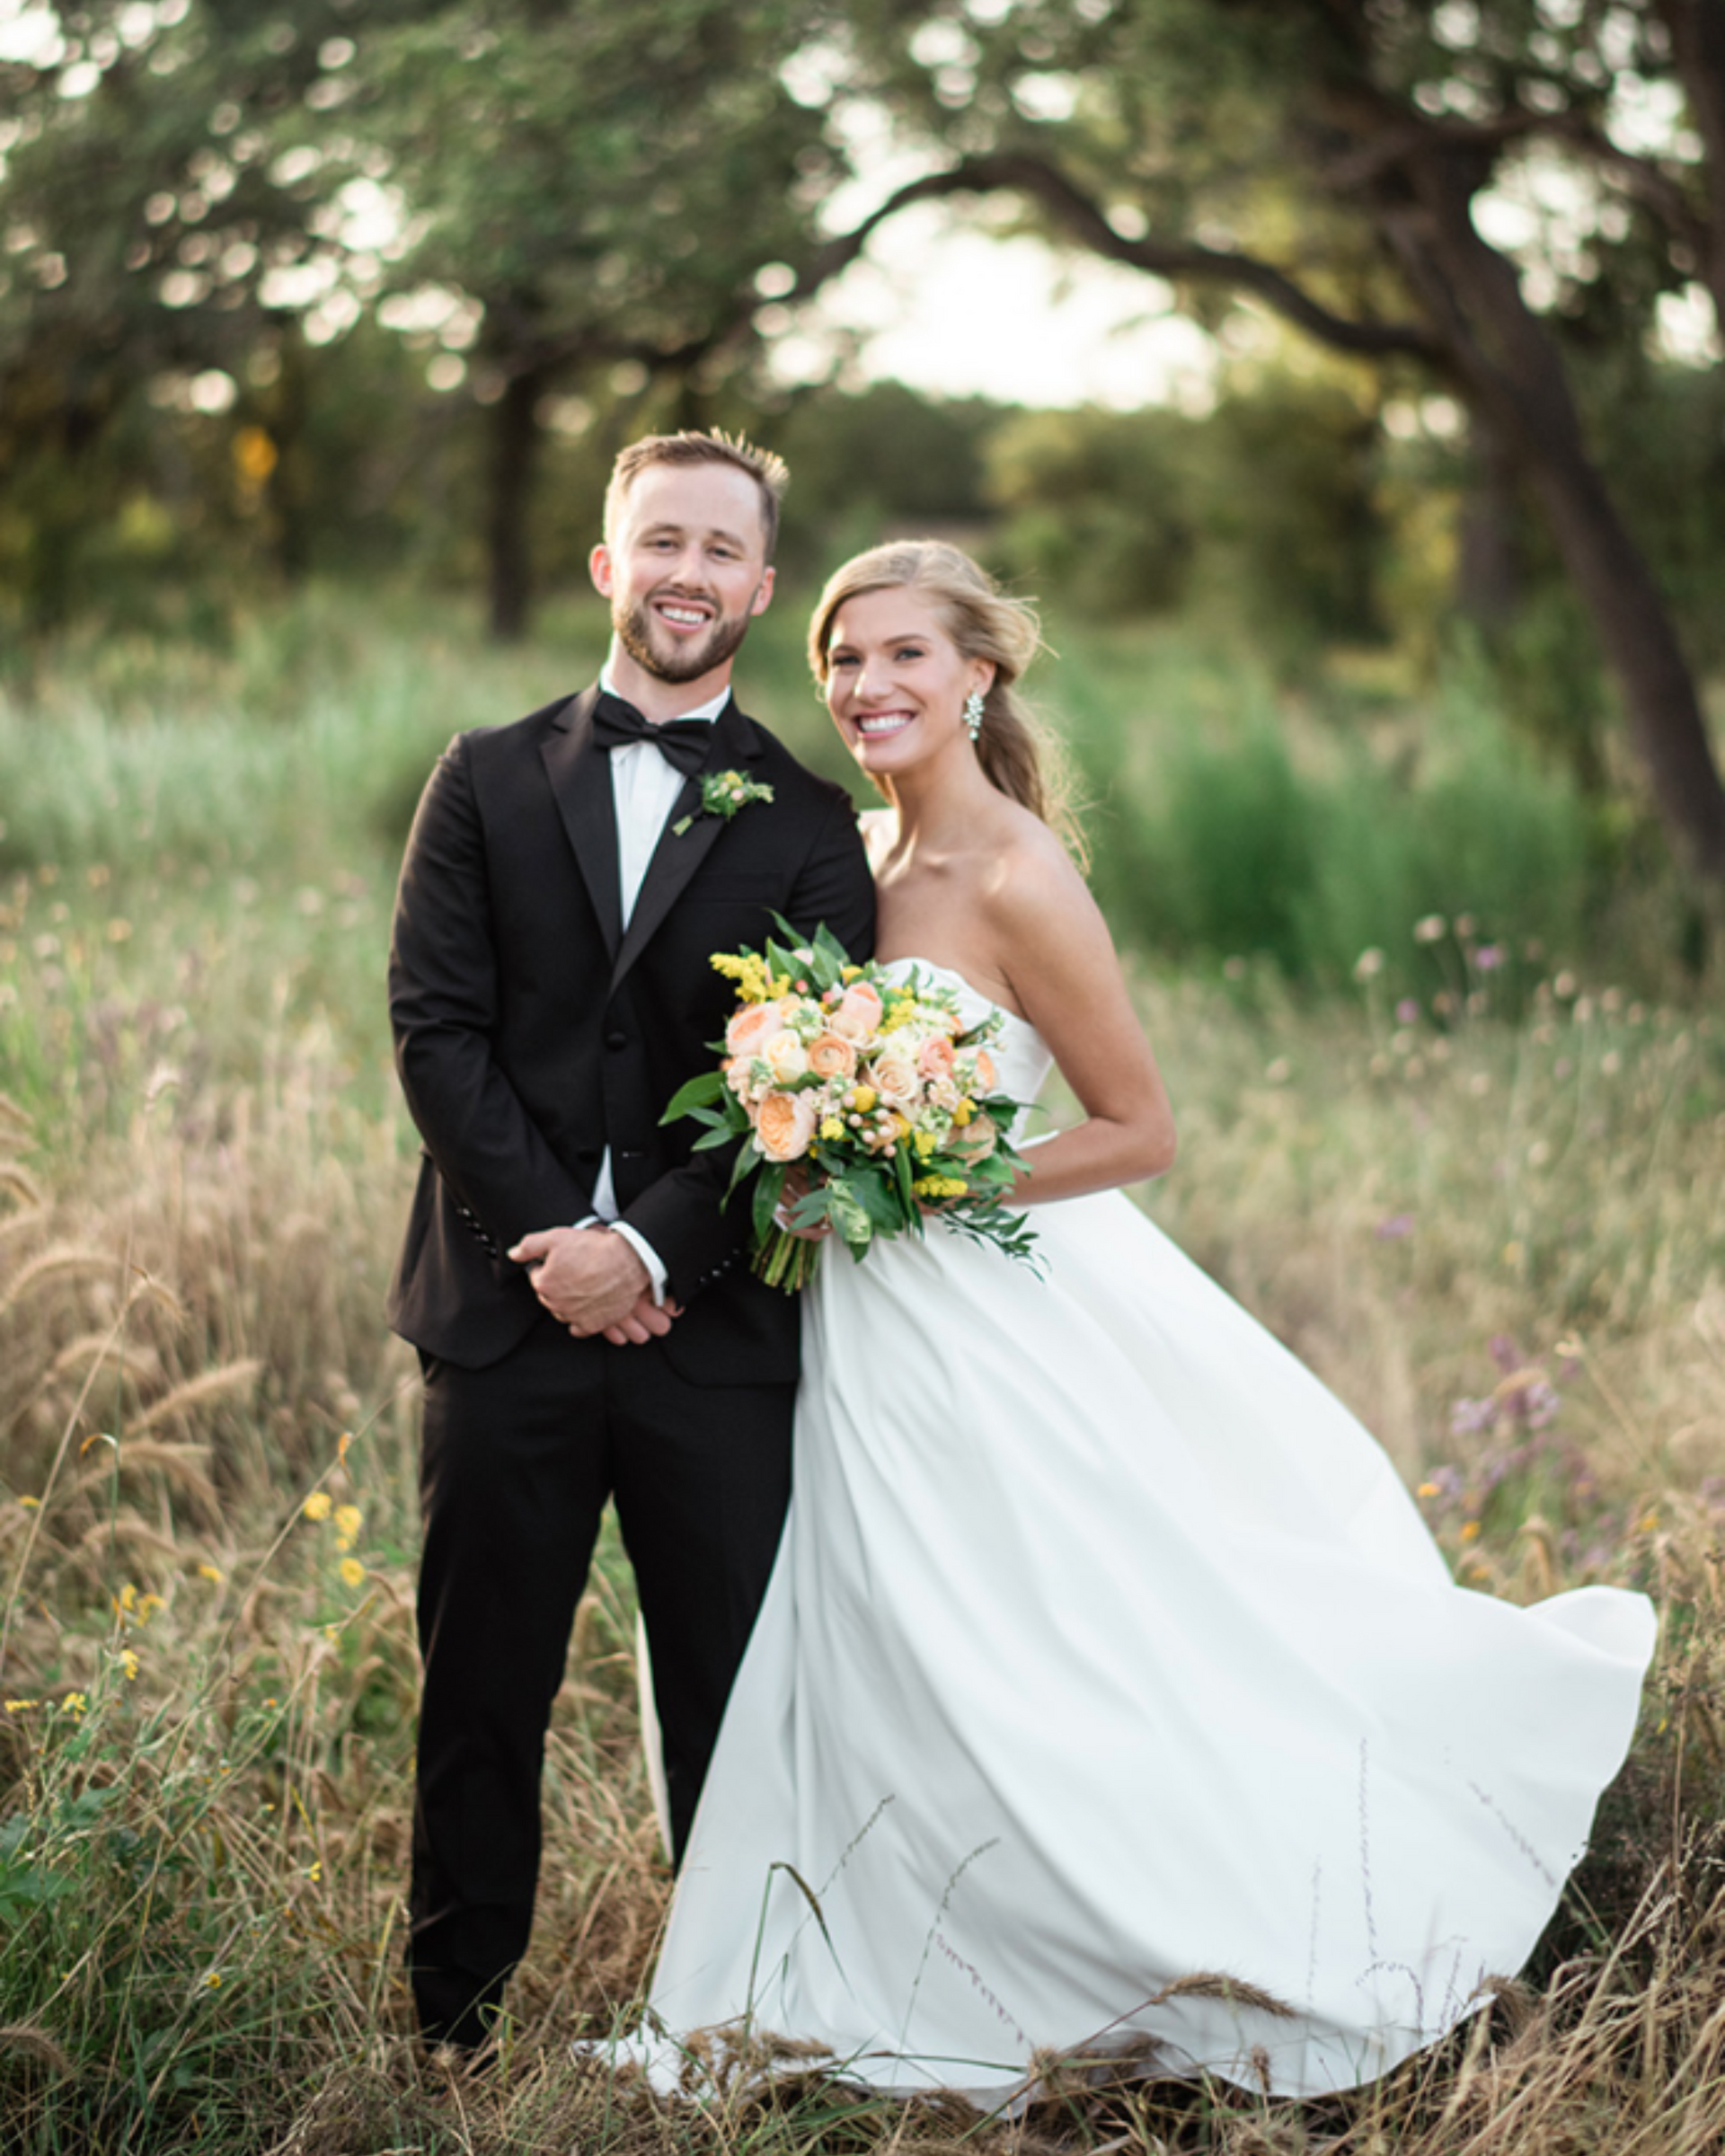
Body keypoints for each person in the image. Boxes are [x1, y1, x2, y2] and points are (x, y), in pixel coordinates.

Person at [629, 541, 1656, 2101]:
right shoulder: (847, 858)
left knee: (1047, 1629)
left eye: (904, 654)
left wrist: (926, 1172)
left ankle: (1146, 1937)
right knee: (881, 1629)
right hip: (854, 1322)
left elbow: (1138, 1127)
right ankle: (878, 1941)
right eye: (842, 659)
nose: (866, 687)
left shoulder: (1021, 874)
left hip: (984, 1304)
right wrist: (804, 1143)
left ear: (979, 674)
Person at [385, 430, 875, 2053]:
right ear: (609, 565)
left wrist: (653, 1253)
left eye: (721, 550)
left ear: (763, 586)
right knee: (479, 1696)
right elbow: (435, 1032)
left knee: (735, 1703)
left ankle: (740, 2019)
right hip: (502, 1313)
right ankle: (452, 2023)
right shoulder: (480, 774)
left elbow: (805, 1082)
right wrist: (564, 1244)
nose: (687, 573)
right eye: (659, 541)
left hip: (712, 1339)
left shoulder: (812, 826)